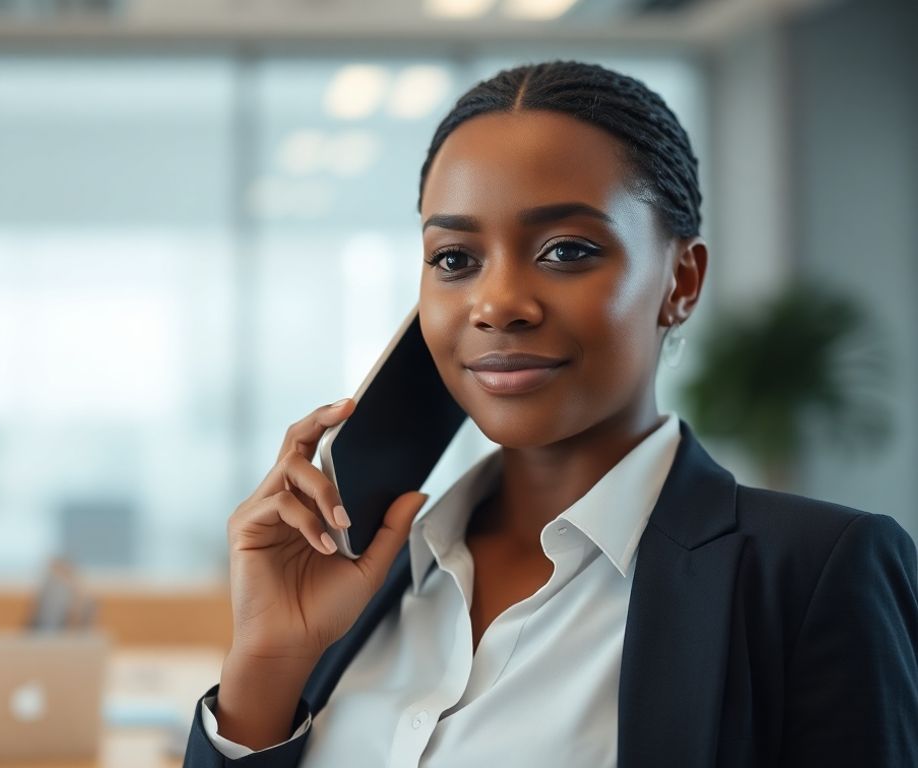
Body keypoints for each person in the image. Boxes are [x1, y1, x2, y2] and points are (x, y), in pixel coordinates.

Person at [184, 60, 918, 767]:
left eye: (567, 250)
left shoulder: (815, 571)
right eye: (454, 259)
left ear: (681, 281)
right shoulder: (372, 568)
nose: (498, 303)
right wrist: (270, 658)